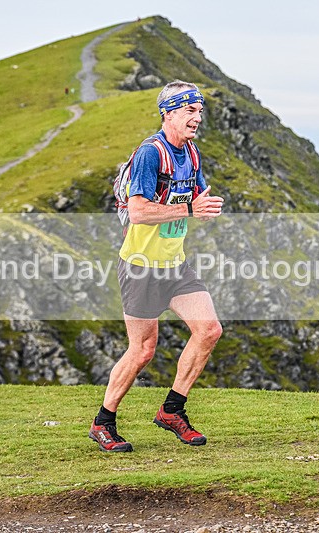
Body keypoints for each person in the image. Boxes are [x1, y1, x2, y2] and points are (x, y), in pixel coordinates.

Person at [89, 80, 224, 452]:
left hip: (174, 265)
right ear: (168, 113)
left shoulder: (191, 154)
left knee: (209, 330)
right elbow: (139, 211)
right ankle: (103, 422)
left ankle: (171, 411)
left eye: (199, 110)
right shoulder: (151, 153)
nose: (197, 117)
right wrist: (190, 210)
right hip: (140, 267)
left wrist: (204, 208)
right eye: (189, 111)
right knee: (143, 350)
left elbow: (195, 198)